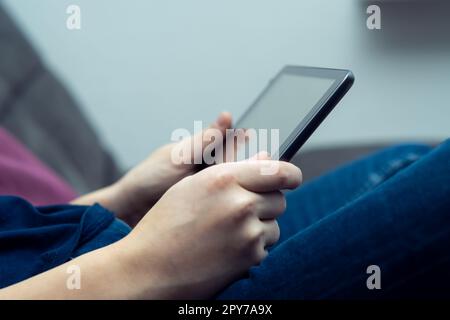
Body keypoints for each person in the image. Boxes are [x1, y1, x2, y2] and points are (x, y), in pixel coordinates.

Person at [0, 112, 449, 299]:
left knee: (402, 157)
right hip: (132, 284)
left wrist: (122, 197)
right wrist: (146, 265)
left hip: (111, 251)